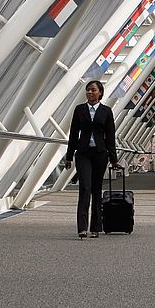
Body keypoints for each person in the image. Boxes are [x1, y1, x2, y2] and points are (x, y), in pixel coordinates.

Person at [65, 80, 122, 238]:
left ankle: (96, 227)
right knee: (85, 188)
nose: (89, 92)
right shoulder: (79, 110)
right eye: (88, 90)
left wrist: (114, 159)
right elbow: (73, 134)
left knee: (96, 189)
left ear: (100, 93)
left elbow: (110, 137)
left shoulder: (106, 111)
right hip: (83, 153)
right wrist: (69, 156)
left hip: (100, 154)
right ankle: (82, 227)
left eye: (93, 90)